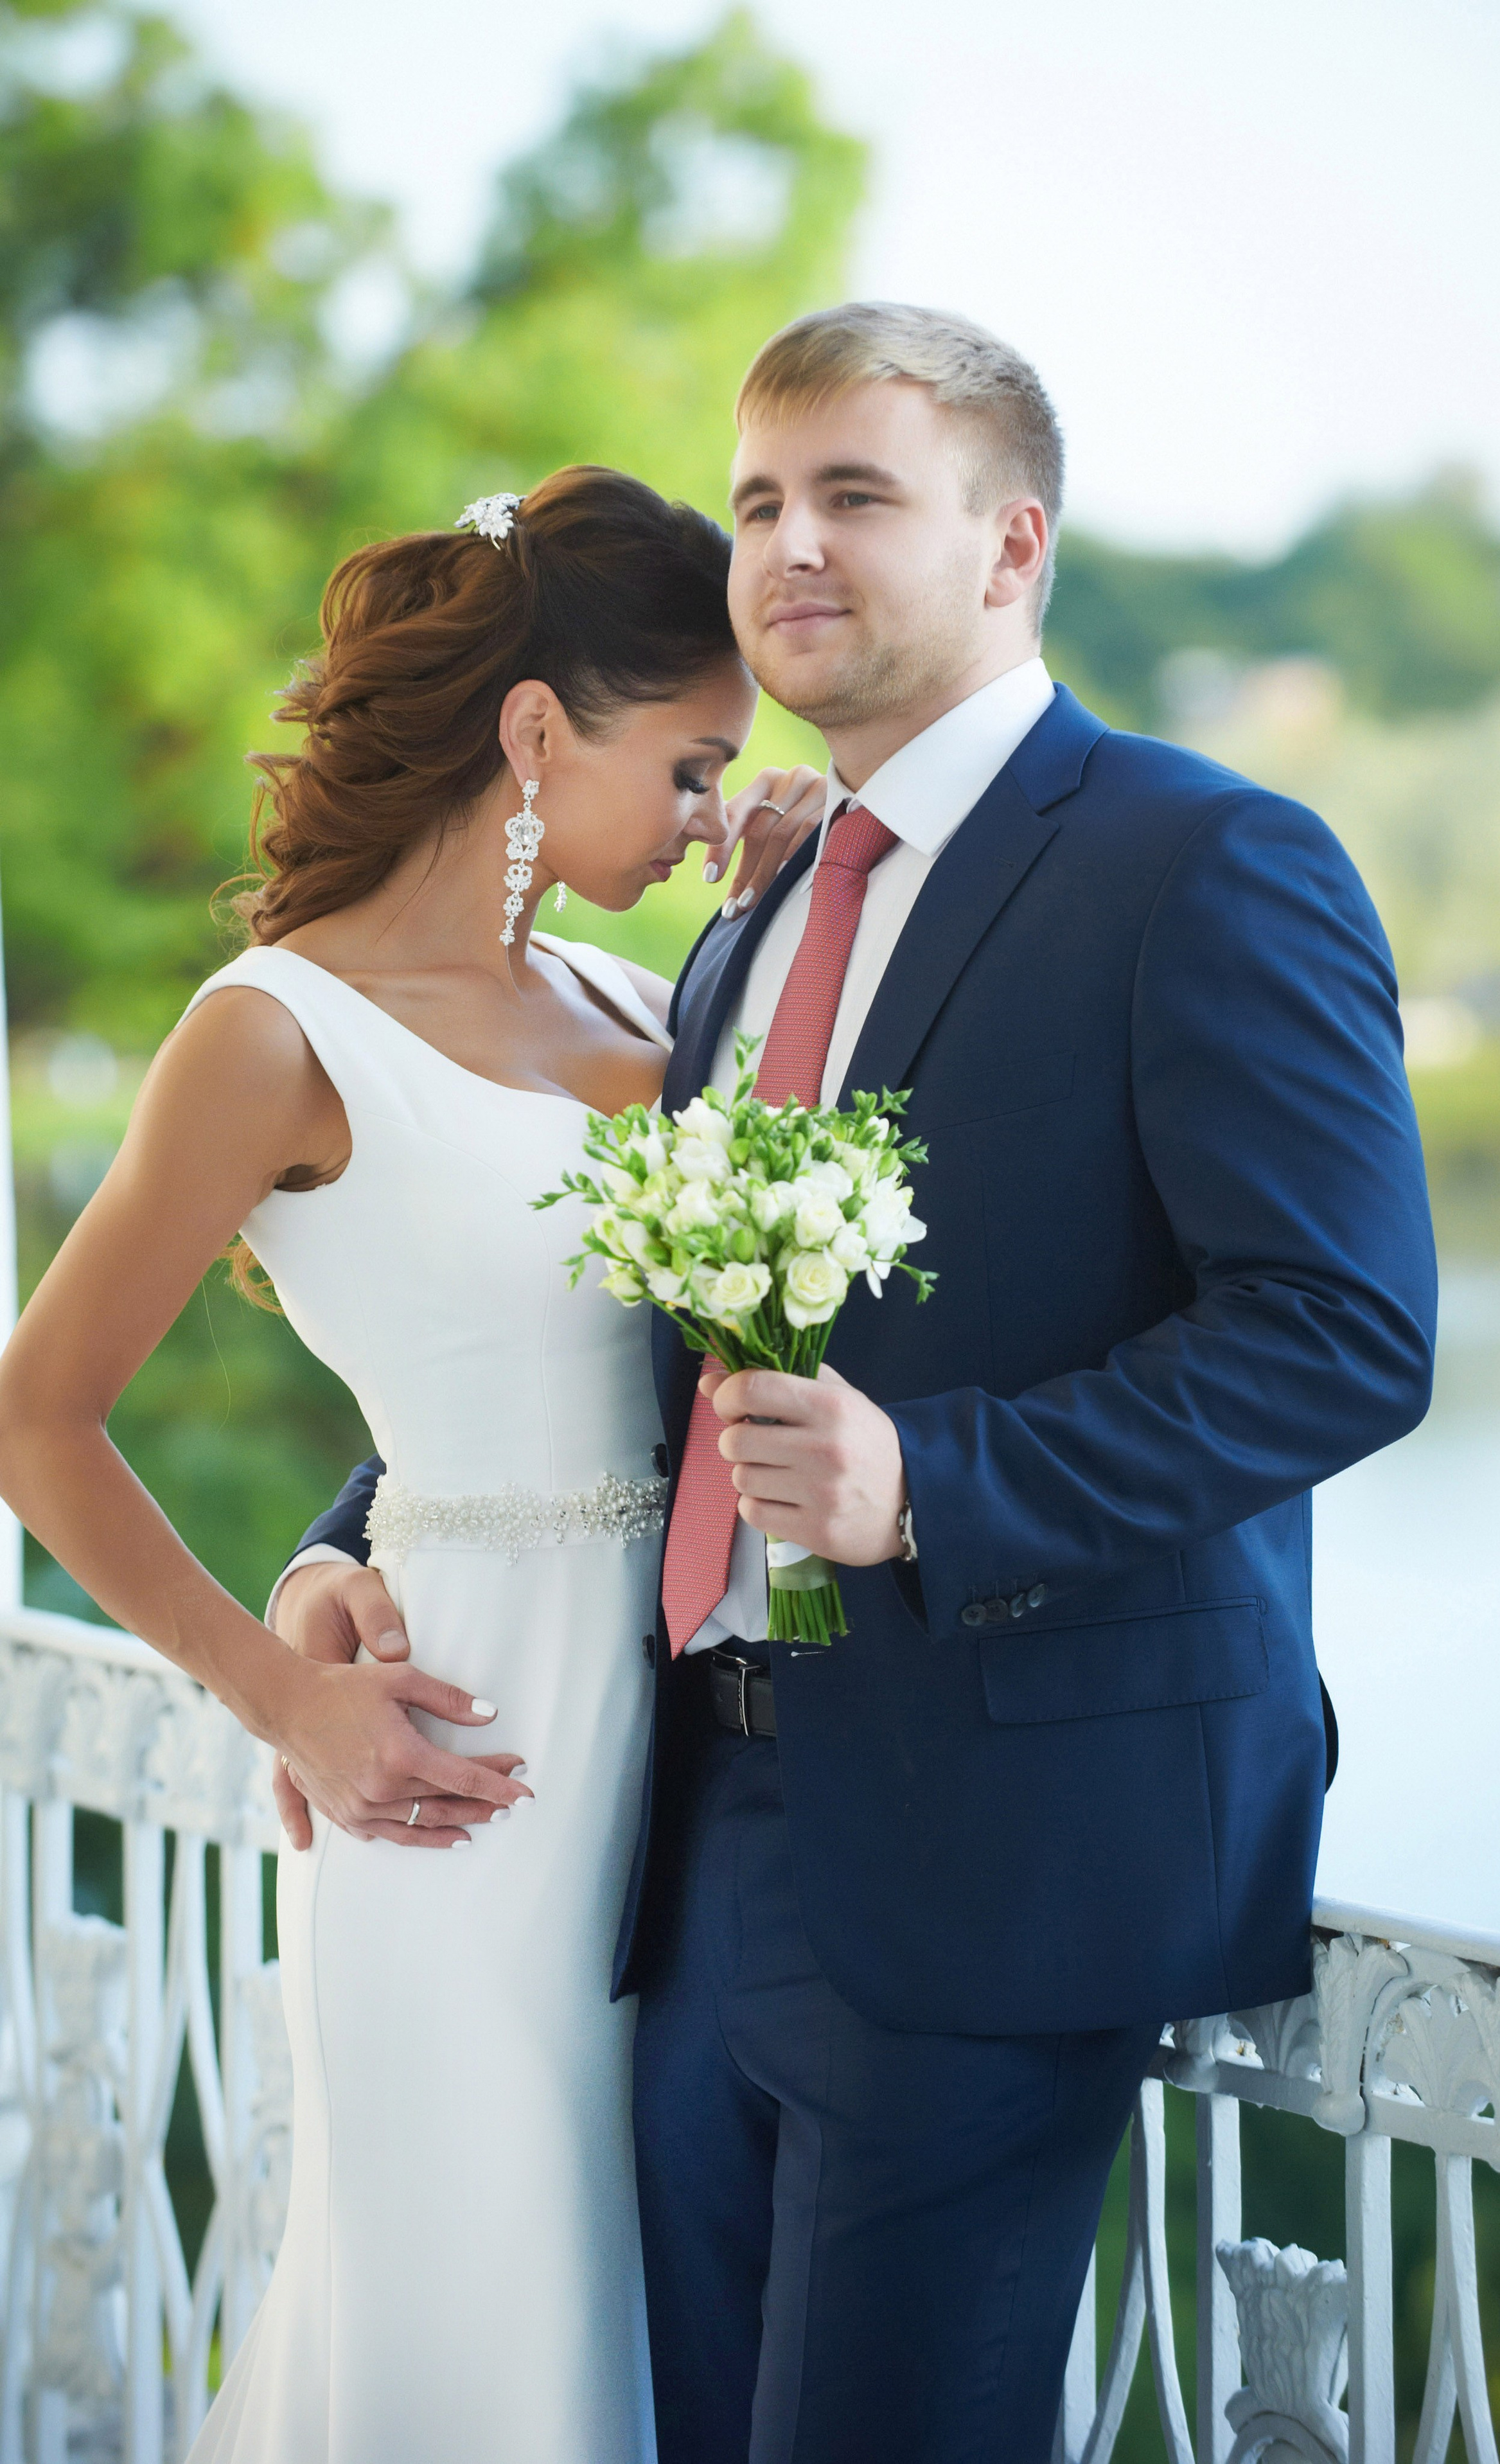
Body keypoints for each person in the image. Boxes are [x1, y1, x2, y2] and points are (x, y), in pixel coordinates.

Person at [278, 305, 1438, 2464]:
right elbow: (625, 1334)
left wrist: (938, 1483)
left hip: (1002, 1855)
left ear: (1012, 545)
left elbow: (1345, 1329)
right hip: (676, 1839)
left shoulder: (1203, 859)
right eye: (757, 503)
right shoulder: (749, 914)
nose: (788, 545)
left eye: (855, 496)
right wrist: (345, 1547)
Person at [0, 463, 825, 2461]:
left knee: (637, 2346)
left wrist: (785, 925)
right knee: (484, 2339)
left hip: (686, 1788)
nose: (709, 809)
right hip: (461, 1780)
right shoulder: (275, 1030)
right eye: (692, 763)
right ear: (537, 729)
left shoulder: (652, 995)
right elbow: (35, 1415)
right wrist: (280, 1682)